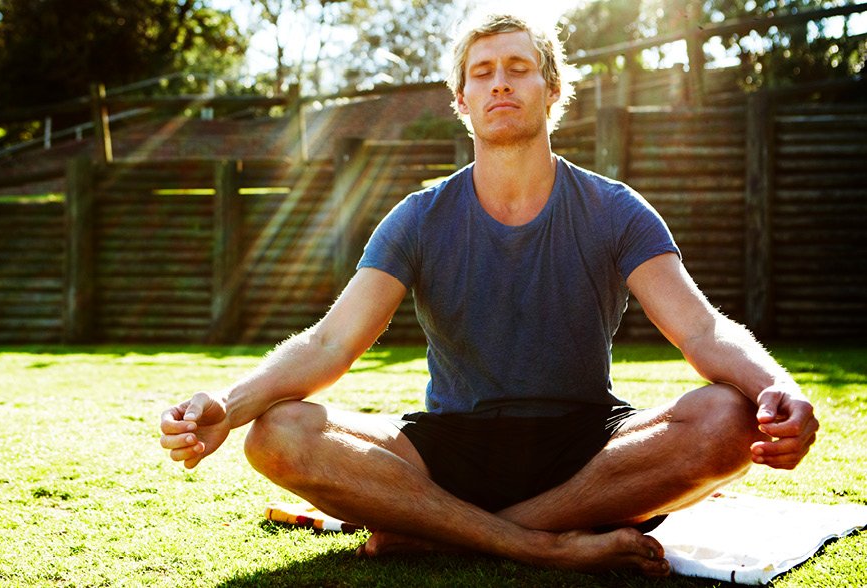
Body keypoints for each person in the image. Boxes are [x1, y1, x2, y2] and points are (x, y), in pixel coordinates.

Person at [160, 12, 818, 576]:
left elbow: (701, 331)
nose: (499, 80)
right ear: (461, 100)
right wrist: (230, 404)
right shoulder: (418, 217)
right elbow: (331, 342)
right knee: (275, 434)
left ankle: (446, 533)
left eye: (517, 66)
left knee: (728, 419)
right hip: (452, 446)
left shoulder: (615, 210)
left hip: (589, 448)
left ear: (553, 89)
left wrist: (774, 388)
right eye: (481, 72)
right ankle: (539, 547)